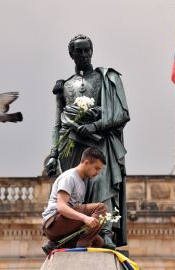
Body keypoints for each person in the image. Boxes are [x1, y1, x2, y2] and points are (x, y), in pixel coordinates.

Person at [46, 34, 130, 249]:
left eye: (87, 50)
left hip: (101, 142)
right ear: (71, 54)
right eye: (79, 51)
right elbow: (58, 123)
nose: (84, 55)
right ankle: (75, 235)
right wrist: (54, 154)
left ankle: (106, 232)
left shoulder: (106, 78)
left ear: (92, 51)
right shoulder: (63, 86)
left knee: (101, 185)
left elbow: (120, 113)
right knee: (76, 193)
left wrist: (94, 126)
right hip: (72, 145)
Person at [42, 147, 107, 255]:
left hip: (64, 224)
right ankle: (83, 246)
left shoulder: (81, 182)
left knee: (98, 242)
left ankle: (56, 244)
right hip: (53, 223)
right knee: (101, 208)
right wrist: (85, 218)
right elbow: (61, 207)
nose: (97, 173)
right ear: (86, 162)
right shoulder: (69, 177)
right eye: (96, 168)